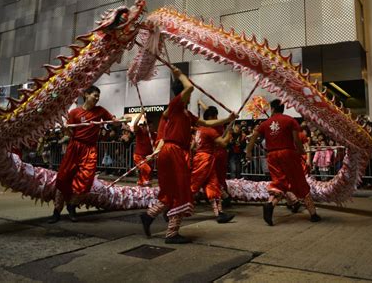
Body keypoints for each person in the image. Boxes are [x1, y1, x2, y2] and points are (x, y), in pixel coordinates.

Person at [140, 67, 237, 244]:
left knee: (172, 191)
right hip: (174, 151)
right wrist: (180, 74)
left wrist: (227, 120)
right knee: (183, 191)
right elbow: (190, 88)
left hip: (173, 152)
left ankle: (149, 215)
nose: (190, 96)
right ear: (182, 93)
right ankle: (171, 233)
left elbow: (205, 122)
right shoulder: (176, 105)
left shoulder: (185, 112)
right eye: (187, 93)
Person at [49, 85, 128, 223]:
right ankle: (56, 211)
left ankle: (72, 206)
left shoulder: (101, 111)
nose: (97, 98)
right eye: (94, 95)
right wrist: (66, 129)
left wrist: (122, 119)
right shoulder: (74, 113)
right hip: (75, 147)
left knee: (86, 180)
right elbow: (70, 134)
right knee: (63, 178)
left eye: (98, 96)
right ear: (86, 95)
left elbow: (114, 123)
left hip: (90, 149)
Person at [246, 99, 321, 226]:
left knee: (279, 182)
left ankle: (270, 204)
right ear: (283, 108)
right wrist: (301, 151)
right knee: (300, 181)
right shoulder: (290, 120)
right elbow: (296, 140)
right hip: (288, 154)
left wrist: (248, 151)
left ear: (272, 109)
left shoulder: (265, 123)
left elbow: (253, 137)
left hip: (272, 155)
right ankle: (313, 214)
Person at [191, 106, 234, 223]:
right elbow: (223, 143)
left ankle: (219, 213)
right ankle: (171, 208)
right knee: (193, 186)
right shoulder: (209, 129)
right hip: (204, 160)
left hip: (204, 159)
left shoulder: (199, 129)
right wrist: (229, 133)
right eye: (215, 117)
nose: (217, 119)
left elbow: (193, 147)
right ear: (211, 117)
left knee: (213, 185)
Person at [132, 108, 156, 186]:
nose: (151, 129)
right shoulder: (140, 131)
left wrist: (154, 155)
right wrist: (141, 114)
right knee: (146, 170)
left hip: (149, 158)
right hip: (138, 157)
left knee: (147, 175)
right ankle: (144, 184)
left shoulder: (154, 135)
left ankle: (141, 186)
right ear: (145, 126)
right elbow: (135, 124)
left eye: (152, 127)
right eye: (149, 127)